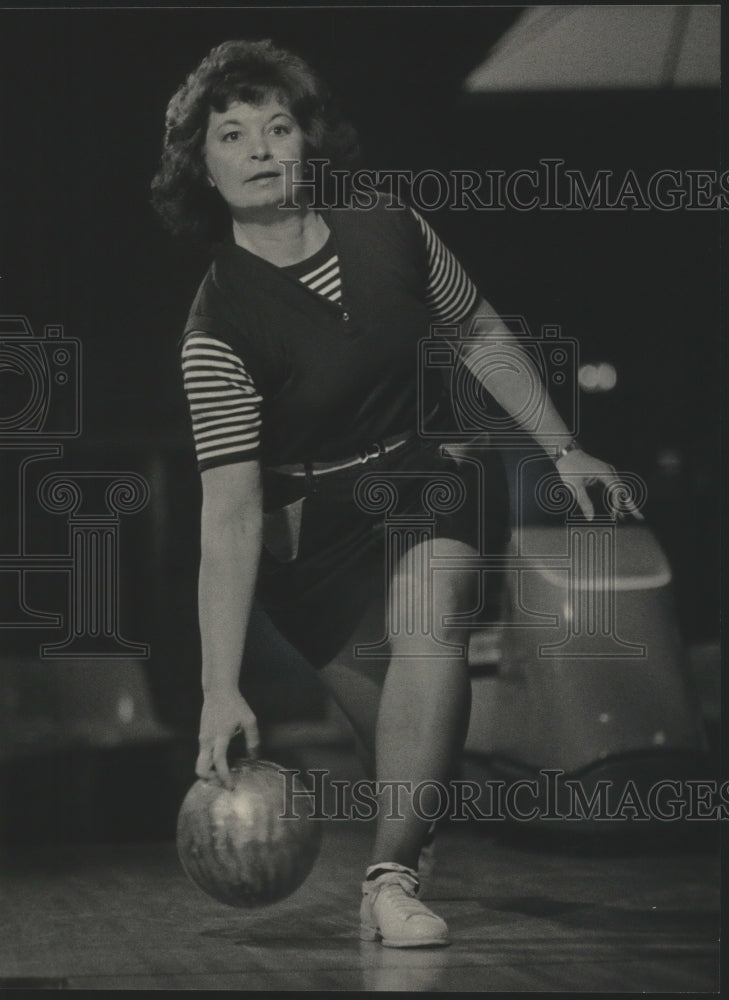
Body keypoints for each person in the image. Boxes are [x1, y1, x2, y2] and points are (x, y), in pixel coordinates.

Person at [151, 38, 639, 948]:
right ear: (202, 169)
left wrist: (563, 449)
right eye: (231, 134)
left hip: (423, 469)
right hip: (309, 531)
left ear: (308, 145)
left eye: (277, 125)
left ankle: (388, 879)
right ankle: (422, 821)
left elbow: (480, 332)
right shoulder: (214, 330)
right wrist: (220, 686)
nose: (259, 147)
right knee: (410, 750)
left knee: (431, 624)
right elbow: (230, 512)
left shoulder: (391, 226)